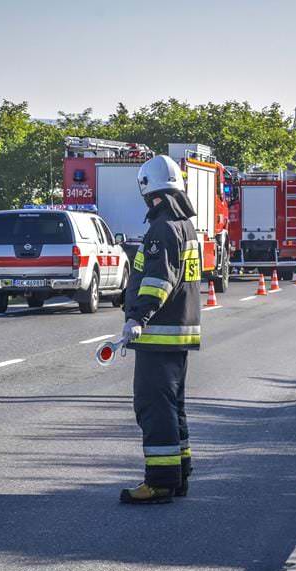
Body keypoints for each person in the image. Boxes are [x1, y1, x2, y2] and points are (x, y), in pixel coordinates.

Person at [119, 154, 202, 505]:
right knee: (172, 405)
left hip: (158, 333)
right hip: (179, 331)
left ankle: (160, 482)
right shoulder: (185, 226)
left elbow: (158, 281)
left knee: (154, 406)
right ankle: (179, 474)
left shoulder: (163, 228)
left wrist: (138, 316)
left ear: (148, 191)